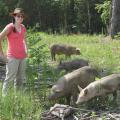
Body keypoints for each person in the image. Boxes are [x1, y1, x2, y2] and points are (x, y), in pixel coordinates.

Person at [0, 8, 28, 97]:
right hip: (12, 57)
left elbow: (24, 39)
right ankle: (5, 100)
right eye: (18, 16)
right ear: (14, 16)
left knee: (20, 79)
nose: (20, 18)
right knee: (9, 79)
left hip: (22, 57)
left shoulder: (23, 27)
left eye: (22, 16)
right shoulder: (10, 27)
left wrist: (27, 49)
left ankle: (18, 98)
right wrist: (2, 55)